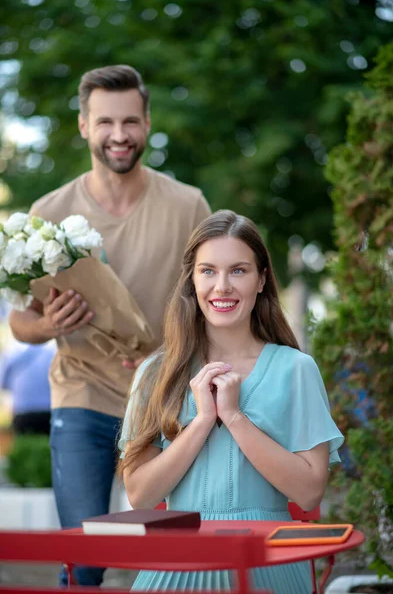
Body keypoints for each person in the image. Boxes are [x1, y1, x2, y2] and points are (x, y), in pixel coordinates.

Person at [8, 64, 210, 586]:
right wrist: (48, 323)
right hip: (83, 396)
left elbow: (211, 302)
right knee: (85, 556)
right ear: (83, 125)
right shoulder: (46, 213)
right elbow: (19, 324)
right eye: (104, 123)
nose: (118, 135)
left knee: (173, 559)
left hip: (166, 398)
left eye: (129, 122)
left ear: (146, 123)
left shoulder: (188, 206)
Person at [118, 210, 344, 594]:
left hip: (269, 562)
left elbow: (309, 492)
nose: (221, 286)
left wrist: (234, 416)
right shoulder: (156, 373)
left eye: (238, 271)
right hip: (177, 566)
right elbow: (140, 495)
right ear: (192, 280)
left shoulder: (297, 369)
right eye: (208, 271)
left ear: (261, 281)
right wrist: (203, 421)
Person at [0, 342, 55, 435]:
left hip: (22, 414)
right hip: (51, 413)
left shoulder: (12, 352)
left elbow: (3, 384)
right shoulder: (54, 351)